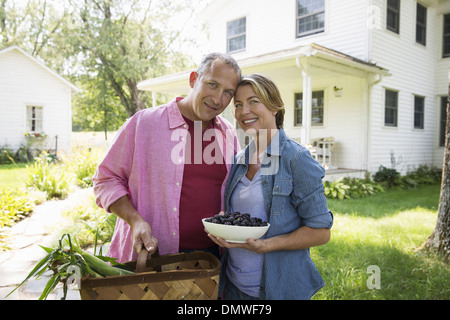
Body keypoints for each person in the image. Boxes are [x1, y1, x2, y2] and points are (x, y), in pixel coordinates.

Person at [93, 53, 242, 263]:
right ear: (193, 79)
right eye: (212, 84)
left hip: (212, 259)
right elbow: (105, 180)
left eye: (228, 92)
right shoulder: (144, 124)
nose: (218, 99)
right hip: (153, 256)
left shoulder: (228, 134)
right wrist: (136, 221)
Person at [207, 73, 333, 300]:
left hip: (277, 290)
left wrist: (267, 245)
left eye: (254, 101)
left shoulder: (296, 158)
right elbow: (243, 216)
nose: (244, 111)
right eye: (238, 104)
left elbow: (321, 232)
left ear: (274, 107)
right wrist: (225, 224)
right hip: (233, 285)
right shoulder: (239, 160)